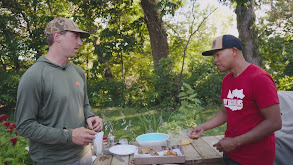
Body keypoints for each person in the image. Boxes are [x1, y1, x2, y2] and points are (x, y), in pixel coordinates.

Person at [15, 17, 103, 165]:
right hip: (54, 161)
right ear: (57, 37)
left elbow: (85, 105)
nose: (80, 43)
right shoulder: (34, 76)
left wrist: (91, 116)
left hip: (85, 155)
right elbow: (24, 126)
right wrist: (69, 135)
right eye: (75, 37)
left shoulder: (78, 72)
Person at [188, 34, 282, 165]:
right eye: (214, 56)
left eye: (218, 54)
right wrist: (203, 127)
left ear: (234, 51)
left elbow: (274, 122)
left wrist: (235, 142)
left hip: (255, 158)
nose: (215, 60)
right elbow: (225, 112)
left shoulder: (259, 78)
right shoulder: (227, 80)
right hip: (230, 153)